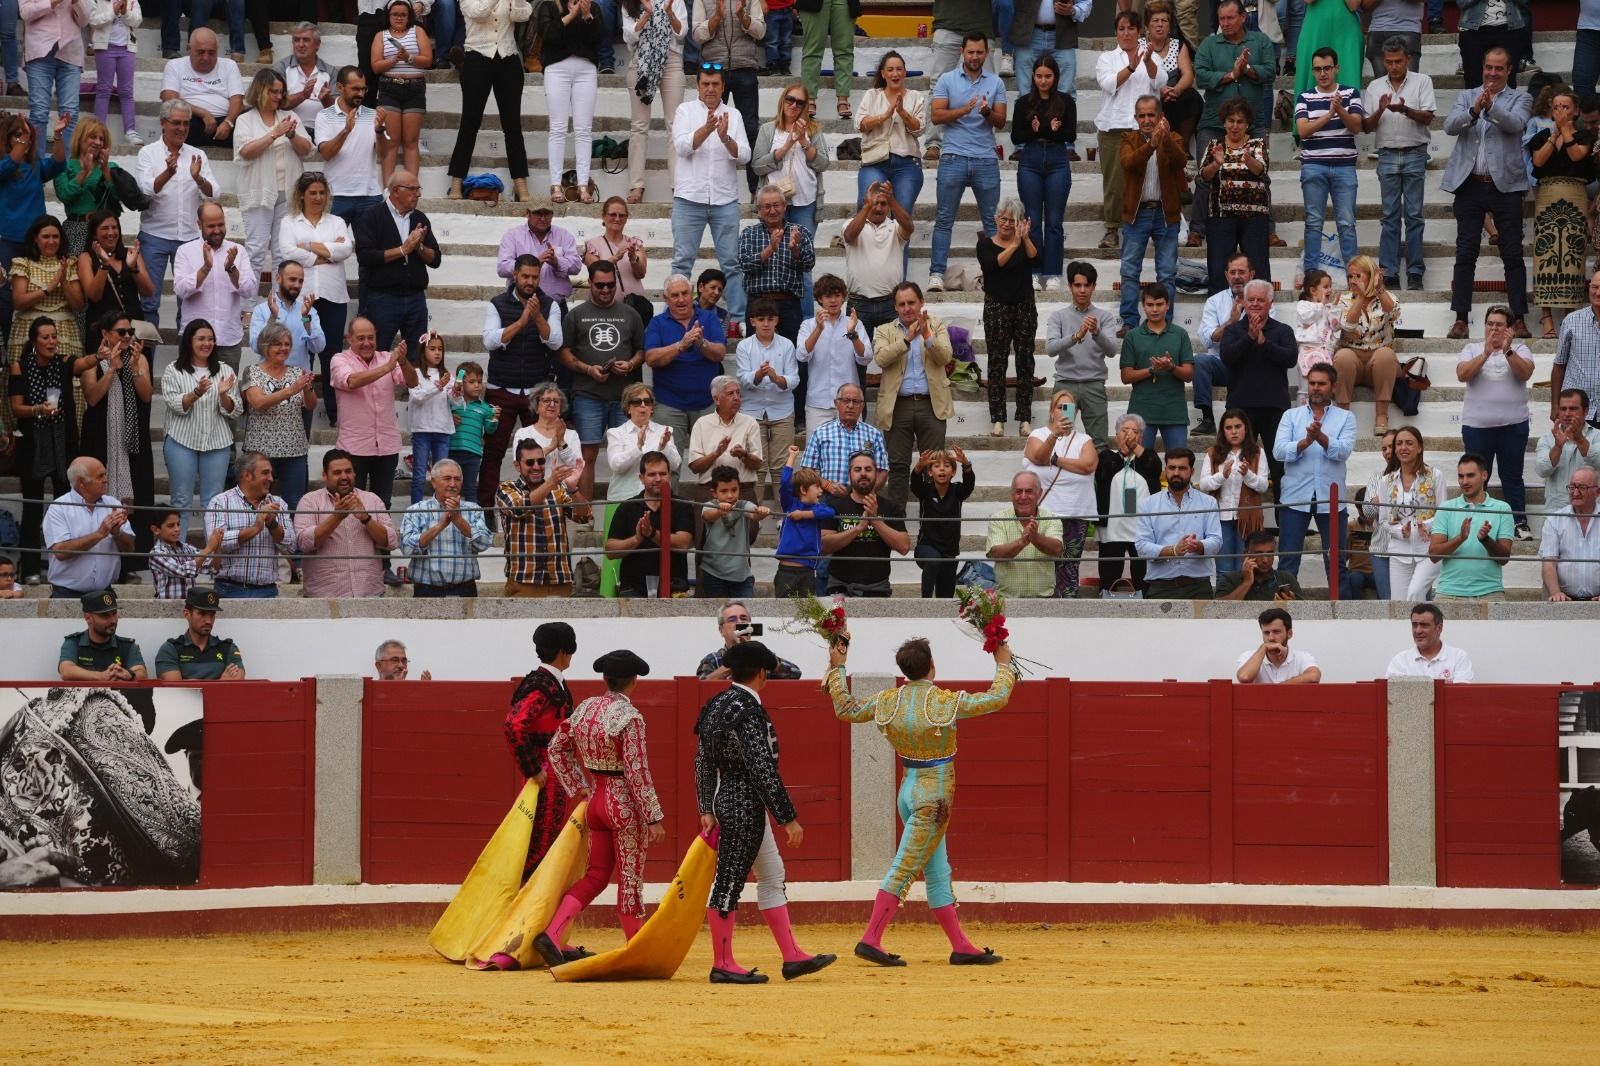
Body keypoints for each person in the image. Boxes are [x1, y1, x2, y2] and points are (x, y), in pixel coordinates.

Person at [826, 632, 1017, 968]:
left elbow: (845, 708)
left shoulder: (888, 701)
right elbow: (997, 698)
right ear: (933, 667)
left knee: (938, 869)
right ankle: (870, 938)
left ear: (904, 670)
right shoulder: (945, 701)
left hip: (908, 790)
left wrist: (837, 667)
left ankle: (961, 946)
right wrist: (1003, 663)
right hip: (934, 799)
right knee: (903, 869)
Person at [695, 639, 830, 984]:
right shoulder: (747, 709)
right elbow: (761, 768)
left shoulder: (717, 703)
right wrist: (788, 817)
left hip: (730, 799)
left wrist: (706, 805)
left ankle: (792, 957)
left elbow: (703, 760)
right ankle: (722, 964)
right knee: (728, 883)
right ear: (760, 674)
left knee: (772, 876)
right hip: (744, 803)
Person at [531, 648, 665, 965]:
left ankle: (551, 934)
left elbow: (556, 748)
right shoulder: (629, 718)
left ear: (605, 678)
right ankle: (636, 949)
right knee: (630, 879)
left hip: (596, 803)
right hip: (623, 807)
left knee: (595, 876)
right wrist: (654, 817)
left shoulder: (586, 709)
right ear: (633, 682)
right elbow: (637, 771)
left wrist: (579, 787)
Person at [1443, 48, 1533, 342]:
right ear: (1482, 68)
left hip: (1505, 184)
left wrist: (1491, 107)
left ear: (1509, 71)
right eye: (1488, 68)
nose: (1492, 74)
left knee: (1512, 253)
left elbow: (1516, 124)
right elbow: (1448, 126)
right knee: (1465, 252)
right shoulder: (1467, 96)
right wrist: (1473, 110)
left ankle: (1518, 318)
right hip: (1470, 183)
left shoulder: (1521, 98)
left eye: (1498, 69)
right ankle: (1460, 320)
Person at [478, 254, 563, 509]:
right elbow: (490, 341)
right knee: (492, 454)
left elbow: (556, 341)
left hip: (536, 393)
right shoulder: (497, 304)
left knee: (540, 455)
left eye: (534, 277)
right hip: (501, 389)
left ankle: (541, 507)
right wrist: (522, 321)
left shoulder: (550, 305)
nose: (530, 281)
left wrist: (537, 318)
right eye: (525, 276)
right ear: (514, 275)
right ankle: (487, 512)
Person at [1189, 0, 1276, 249]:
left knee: (1261, 175)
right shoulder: (1208, 44)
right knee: (1205, 176)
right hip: (1213, 123)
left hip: (1253, 122)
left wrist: (1247, 69)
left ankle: (1268, 230)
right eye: (1221, 19)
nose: (1225, 23)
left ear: (1243, 18)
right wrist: (1231, 75)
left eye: (1230, 18)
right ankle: (1197, 230)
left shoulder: (1261, 42)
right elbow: (1201, 76)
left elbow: (1271, 71)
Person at [561, 260, 647, 503]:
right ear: (590, 283)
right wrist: (589, 370)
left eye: (610, 285)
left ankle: (627, 510)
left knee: (631, 453)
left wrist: (630, 364)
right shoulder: (576, 314)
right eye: (600, 285)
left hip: (624, 398)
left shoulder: (631, 314)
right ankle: (585, 512)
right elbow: (564, 352)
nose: (606, 290)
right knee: (587, 455)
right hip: (588, 395)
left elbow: (642, 351)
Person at [670, 66, 750, 325]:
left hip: (724, 200)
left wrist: (725, 137)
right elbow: (682, 147)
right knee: (682, 264)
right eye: (705, 84)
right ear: (697, 85)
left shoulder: (733, 114)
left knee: (732, 264)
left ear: (723, 86)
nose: (710, 89)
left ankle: (737, 322)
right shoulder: (685, 110)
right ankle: (675, 319)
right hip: (688, 199)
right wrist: (707, 129)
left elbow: (744, 155)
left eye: (715, 84)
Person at [927, 33, 1005, 293]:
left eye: (979, 52)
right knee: (944, 219)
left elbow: (1001, 121)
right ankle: (936, 274)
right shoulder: (947, 79)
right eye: (970, 52)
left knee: (992, 222)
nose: (974, 57)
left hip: (985, 158)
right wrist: (963, 110)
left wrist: (986, 112)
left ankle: (995, 274)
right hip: (953, 156)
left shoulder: (995, 83)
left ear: (986, 53)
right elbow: (936, 116)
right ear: (962, 51)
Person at [134, 99, 217, 329]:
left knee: (189, 302)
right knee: (149, 302)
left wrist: (198, 178)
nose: (182, 128)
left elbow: (213, 192)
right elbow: (145, 188)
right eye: (176, 123)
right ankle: (146, 361)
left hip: (189, 237)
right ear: (163, 123)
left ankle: (186, 361)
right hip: (154, 236)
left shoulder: (197, 154)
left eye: (186, 123)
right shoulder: (147, 153)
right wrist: (167, 173)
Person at [1362, 36, 1436, 293]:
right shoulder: (1374, 87)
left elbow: (1428, 117)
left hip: (1416, 152)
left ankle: (1415, 273)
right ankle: (1389, 273)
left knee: (1414, 216)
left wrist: (1405, 110)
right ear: (1383, 61)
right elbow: (1366, 127)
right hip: (1387, 154)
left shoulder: (1422, 80)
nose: (1393, 66)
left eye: (1398, 61)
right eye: (1389, 62)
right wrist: (1382, 110)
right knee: (1390, 217)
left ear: (1408, 59)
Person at [505, 621, 579, 878]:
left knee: (544, 842)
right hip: (546, 776)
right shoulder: (543, 685)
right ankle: (521, 905)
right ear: (564, 651)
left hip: (551, 773)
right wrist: (534, 769)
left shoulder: (548, 682)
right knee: (541, 844)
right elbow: (514, 725)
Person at [1273, 362, 1355, 584]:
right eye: (1312, 383)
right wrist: (1306, 442)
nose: (1316, 388)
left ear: (1334, 387)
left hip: (1332, 499)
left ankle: (1340, 615)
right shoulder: (1291, 416)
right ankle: (1282, 614)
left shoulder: (1346, 417)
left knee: (1336, 560)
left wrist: (1321, 438)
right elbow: (1278, 451)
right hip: (1294, 497)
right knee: (1288, 560)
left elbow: (1344, 451)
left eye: (1321, 383)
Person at [751, 82, 829, 317]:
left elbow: (823, 163)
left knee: (803, 264)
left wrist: (804, 141)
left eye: (800, 102)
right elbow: (756, 165)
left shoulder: (814, 130)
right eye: (790, 100)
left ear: (807, 106)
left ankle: (805, 322)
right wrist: (785, 147)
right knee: (773, 260)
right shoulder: (768, 130)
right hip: (774, 206)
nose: (794, 105)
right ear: (783, 101)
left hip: (805, 203)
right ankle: (774, 317)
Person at [1458, 305, 1534, 541]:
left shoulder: (1521, 348)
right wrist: (1486, 353)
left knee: (1512, 475)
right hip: (1477, 426)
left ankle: (1519, 522)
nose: (1493, 329)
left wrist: (1508, 351)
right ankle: (1475, 520)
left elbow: (1525, 374)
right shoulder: (1471, 349)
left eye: (1499, 325)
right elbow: (1463, 375)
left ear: (1509, 329)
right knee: (1478, 475)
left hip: (1514, 425)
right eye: (1490, 324)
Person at [446, 0, 533, 204]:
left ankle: (521, 184)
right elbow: (478, 13)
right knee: (470, 123)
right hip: (477, 58)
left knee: (512, 125)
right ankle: (457, 181)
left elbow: (522, 15)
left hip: (508, 58)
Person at [8, 317, 75, 584]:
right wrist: (38, 409)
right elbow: (16, 408)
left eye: (54, 336)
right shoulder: (20, 366)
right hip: (32, 443)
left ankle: (63, 569)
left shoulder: (63, 363)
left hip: (61, 441)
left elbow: (85, 364)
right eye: (45, 337)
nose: (51, 341)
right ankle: (32, 569)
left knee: (63, 507)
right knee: (34, 507)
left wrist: (106, 352)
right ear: (34, 341)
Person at [874, 282, 953, 504]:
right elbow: (880, 358)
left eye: (911, 302)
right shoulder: (884, 330)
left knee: (934, 466)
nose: (907, 308)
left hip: (931, 404)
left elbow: (945, 357)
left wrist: (926, 334)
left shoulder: (936, 325)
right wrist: (907, 339)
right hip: (898, 405)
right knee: (897, 466)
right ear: (895, 307)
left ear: (921, 302)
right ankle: (896, 526)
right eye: (902, 304)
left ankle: (932, 524)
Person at [160, 320, 239, 540]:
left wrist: (223, 395)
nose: (207, 343)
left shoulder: (225, 370)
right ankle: (178, 560)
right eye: (201, 339)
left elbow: (236, 410)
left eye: (210, 339)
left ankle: (213, 560)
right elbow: (175, 404)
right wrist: (196, 393)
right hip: (181, 441)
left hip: (217, 442)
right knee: (181, 500)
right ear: (189, 341)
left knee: (213, 502)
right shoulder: (173, 370)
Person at [233, 69, 312, 285]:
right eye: (273, 92)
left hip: (288, 194)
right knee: (256, 250)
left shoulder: (291, 117)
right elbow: (245, 152)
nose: (278, 96)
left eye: (281, 92)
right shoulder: (245, 120)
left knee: (283, 253)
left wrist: (292, 135)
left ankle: (280, 306)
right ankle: (246, 308)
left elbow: (307, 150)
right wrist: (275, 133)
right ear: (260, 91)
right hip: (258, 194)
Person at [352, 170, 442, 354]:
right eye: (413, 189)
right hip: (383, 299)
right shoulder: (372, 216)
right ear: (395, 191)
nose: (418, 194)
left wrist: (418, 247)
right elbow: (366, 256)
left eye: (418, 188)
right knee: (377, 354)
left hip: (416, 299)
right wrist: (404, 249)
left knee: (417, 356)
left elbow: (436, 260)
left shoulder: (420, 218)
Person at [1094, 10, 1161, 254]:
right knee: (1114, 182)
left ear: (1139, 31)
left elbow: (1160, 81)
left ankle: (1144, 229)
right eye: (1121, 29)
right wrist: (1131, 67)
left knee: (1146, 181)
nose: (1126, 33)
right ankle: (1112, 228)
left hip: (1143, 129)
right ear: (1116, 33)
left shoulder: (1150, 55)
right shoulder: (1107, 58)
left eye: (1131, 28)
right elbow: (1109, 84)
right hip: (1113, 128)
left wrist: (1148, 61)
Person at [1529, 91, 1594, 340]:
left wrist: (1565, 129)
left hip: (1575, 196)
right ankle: (1547, 320)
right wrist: (1554, 133)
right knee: (1545, 253)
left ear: (1575, 111)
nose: (1560, 111)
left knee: (1572, 255)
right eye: (1556, 107)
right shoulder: (1542, 136)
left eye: (1565, 107)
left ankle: (1570, 318)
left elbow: (1577, 155)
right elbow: (1538, 161)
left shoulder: (1584, 135)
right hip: (1547, 197)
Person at [292, 447, 399, 598]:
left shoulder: (372, 500)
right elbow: (304, 543)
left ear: (354, 473)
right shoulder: (309, 501)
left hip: (369, 595)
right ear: (325, 475)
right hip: (324, 598)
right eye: (337, 473)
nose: (344, 476)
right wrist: (337, 517)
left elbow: (392, 541)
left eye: (348, 471)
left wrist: (366, 519)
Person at [1020, 389, 1096, 596]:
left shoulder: (1084, 440)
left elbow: (1088, 465)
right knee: (1041, 565)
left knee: (1069, 569)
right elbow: (1037, 456)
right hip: (1045, 513)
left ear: (1076, 413)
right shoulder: (1038, 435)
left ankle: (1067, 612)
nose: (1064, 412)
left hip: (1075, 512)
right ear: (1052, 411)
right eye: (1059, 407)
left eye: (1069, 408)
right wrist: (1054, 436)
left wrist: (1054, 460)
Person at [645, 274, 729, 460]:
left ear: (693, 294)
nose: (681, 299)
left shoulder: (709, 318)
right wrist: (680, 346)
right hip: (669, 405)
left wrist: (701, 343)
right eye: (675, 295)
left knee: (713, 463)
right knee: (668, 463)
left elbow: (720, 353)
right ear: (666, 299)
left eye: (685, 293)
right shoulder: (657, 323)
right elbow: (651, 358)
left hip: (707, 403)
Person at [978, 197, 1040, 438]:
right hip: (996, 306)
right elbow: (993, 265)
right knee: (997, 362)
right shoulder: (984, 244)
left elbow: (1036, 260)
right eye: (1003, 219)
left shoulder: (1023, 241)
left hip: (1024, 305)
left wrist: (1023, 239)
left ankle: (1025, 417)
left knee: (1025, 361)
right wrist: (1014, 245)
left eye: (1012, 220)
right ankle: (998, 419)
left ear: (1020, 222)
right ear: (995, 219)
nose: (1006, 224)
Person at [1011, 55, 1073, 292]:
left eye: (1048, 76)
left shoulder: (1066, 101)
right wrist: (1034, 130)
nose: (1043, 81)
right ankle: (1035, 271)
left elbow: (1070, 134)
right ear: (1033, 77)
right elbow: (1017, 137)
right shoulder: (1024, 102)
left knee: (1055, 221)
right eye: (1039, 76)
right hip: (1030, 160)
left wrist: (1049, 131)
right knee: (1033, 220)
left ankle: (1053, 272)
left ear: (1055, 77)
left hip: (1058, 159)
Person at [499, 437, 591, 597]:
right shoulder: (507, 488)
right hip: (524, 580)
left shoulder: (559, 489)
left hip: (559, 579)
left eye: (541, 461)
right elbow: (519, 508)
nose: (536, 467)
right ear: (517, 465)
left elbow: (583, 517)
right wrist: (551, 482)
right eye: (530, 462)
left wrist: (573, 489)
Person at [1198, 98, 1270, 296]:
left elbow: (1261, 171)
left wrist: (1248, 160)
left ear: (1247, 124)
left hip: (1254, 216)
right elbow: (1203, 176)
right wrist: (1217, 163)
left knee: (1258, 266)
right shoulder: (1215, 145)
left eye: (1240, 121)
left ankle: (1262, 312)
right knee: (1219, 268)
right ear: (1224, 122)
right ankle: (1219, 318)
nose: (1235, 126)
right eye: (1231, 120)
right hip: (1221, 216)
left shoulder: (1257, 144)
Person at [241, 322, 316, 510]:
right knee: (257, 501)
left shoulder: (297, 372)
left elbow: (311, 405)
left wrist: (307, 389)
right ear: (266, 346)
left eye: (287, 344)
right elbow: (258, 402)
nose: (283, 348)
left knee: (295, 503)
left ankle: (290, 539)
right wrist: (291, 390)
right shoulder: (252, 372)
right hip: (260, 450)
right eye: (277, 344)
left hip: (294, 449)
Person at [173, 201, 255, 370]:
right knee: (194, 392)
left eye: (221, 224)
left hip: (228, 339)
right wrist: (205, 268)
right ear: (199, 224)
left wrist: (231, 269)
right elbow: (181, 290)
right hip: (194, 341)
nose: (217, 230)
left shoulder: (238, 250)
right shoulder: (185, 251)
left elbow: (249, 290)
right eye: (211, 226)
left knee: (228, 394)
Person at [620, 0, 687, 205]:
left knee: (675, 125)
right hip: (640, 60)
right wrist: (646, 15)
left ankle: (679, 187)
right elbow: (629, 36)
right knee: (639, 126)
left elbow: (682, 33)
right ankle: (636, 185)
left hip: (672, 59)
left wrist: (670, 14)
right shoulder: (629, 3)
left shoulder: (674, 1)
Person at [537, 0, 604, 203]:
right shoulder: (549, 6)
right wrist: (570, 16)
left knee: (583, 129)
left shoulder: (593, 6)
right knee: (558, 128)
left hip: (586, 69)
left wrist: (586, 16)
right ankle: (556, 184)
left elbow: (599, 38)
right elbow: (548, 36)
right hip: (556, 68)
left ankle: (583, 185)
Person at [1045, 263, 1118, 446]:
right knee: (1060, 437)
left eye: (1087, 285)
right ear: (1070, 286)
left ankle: (1097, 476)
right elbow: (1050, 349)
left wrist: (1095, 333)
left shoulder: (1104, 317)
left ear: (1094, 286)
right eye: (1077, 285)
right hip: (1066, 386)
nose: (1083, 290)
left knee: (1099, 443)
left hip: (1093, 385)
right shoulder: (1058, 316)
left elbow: (1111, 351)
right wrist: (1076, 336)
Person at [734, 297, 799, 504]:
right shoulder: (744, 346)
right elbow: (743, 379)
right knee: (756, 467)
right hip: (752, 411)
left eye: (770, 319)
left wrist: (776, 377)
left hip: (782, 410)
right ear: (752, 321)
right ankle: (755, 517)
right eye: (760, 319)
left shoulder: (787, 345)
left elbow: (794, 378)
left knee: (781, 467)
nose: (765, 324)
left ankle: (783, 517)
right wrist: (760, 375)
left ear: (777, 321)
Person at [1135, 447, 1222, 599]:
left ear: (1192, 471)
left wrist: (1200, 546)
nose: (1176, 472)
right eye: (1172, 468)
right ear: (1165, 469)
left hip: (1198, 587)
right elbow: (1141, 546)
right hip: (1160, 587)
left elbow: (1216, 541)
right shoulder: (1148, 504)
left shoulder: (1209, 503)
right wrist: (1172, 551)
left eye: (1182, 468)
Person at [399, 458, 493, 597]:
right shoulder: (416, 510)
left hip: (465, 589)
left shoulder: (473, 509)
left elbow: (484, 543)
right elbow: (407, 548)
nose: (453, 484)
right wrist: (440, 525)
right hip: (426, 590)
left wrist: (458, 519)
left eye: (457, 479)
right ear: (434, 482)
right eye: (447, 478)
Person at [39, 457, 132, 596]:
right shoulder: (59, 508)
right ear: (81, 482)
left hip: (105, 593)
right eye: (100, 476)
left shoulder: (113, 504)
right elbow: (60, 552)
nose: (106, 480)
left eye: (105, 474)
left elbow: (130, 549)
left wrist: (117, 533)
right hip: (67, 594)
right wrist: (99, 534)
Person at [821, 451, 910, 597]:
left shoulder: (891, 507)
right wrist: (858, 528)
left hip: (878, 587)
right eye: (857, 470)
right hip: (840, 586)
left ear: (876, 474)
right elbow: (823, 546)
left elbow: (904, 547)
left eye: (868, 469)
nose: (863, 473)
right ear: (849, 475)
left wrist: (875, 520)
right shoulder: (834, 506)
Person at [204, 451, 291, 598]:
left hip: (267, 590)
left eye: (271, 473)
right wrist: (255, 528)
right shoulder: (220, 502)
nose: (271, 478)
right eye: (265, 473)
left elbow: (291, 546)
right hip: (229, 589)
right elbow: (216, 543)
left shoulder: (279, 504)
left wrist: (272, 525)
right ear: (247, 475)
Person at [1429, 452, 1514, 602]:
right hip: (1449, 592)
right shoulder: (1446, 508)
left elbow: (1504, 558)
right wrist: (1460, 538)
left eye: (1470, 475)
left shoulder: (1503, 508)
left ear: (1484, 475)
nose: (1464, 481)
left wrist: (1486, 540)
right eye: (1461, 476)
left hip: (1490, 592)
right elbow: (1434, 555)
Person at [11, 215, 86, 385]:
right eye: (46, 236)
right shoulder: (23, 263)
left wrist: (64, 282)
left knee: (65, 385)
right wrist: (48, 289)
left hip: (63, 332)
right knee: (28, 386)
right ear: (35, 239)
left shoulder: (69, 264)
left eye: (55, 236)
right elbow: (18, 301)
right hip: (29, 331)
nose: (51, 241)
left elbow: (79, 306)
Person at [252, 258, 329, 420]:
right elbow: (256, 346)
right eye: (292, 279)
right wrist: (273, 317)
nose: (297, 285)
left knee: (300, 442)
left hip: (302, 387)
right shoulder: (261, 310)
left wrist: (305, 319)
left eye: (300, 281)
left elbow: (319, 347)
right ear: (278, 278)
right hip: (269, 385)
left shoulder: (309, 311)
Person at [737, 185, 815, 344]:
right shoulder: (748, 233)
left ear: (785, 206)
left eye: (776, 205)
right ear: (759, 209)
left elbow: (809, 265)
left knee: (795, 354)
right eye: (766, 206)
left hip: (789, 302)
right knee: (756, 354)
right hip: (757, 303)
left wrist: (796, 252)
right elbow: (745, 264)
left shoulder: (800, 231)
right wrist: (771, 248)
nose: (772, 211)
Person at [1121, 282, 1194, 451]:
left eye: (1159, 304)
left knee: (1178, 465)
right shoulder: (1132, 336)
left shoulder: (1181, 334)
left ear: (1168, 305)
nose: (1155, 309)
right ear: (1143, 306)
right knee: (1138, 468)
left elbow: (1189, 374)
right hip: (1141, 411)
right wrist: (1152, 370)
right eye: (1150, 305)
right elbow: (1126, 377)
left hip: (1174, 412)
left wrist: (1171, 368)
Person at [1375, 424, 1444, 602]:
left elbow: (1444, 512)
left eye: (1409, 443)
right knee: (1399, 604)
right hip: (1399, 550)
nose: (1403, 447)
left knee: (1415, 594)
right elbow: (1383, 519)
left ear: (1419, 447)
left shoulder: (1435, 475)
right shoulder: (1386, 480)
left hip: (1428, 548)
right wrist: (1399, 531)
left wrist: (1426, 525)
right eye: (1399, 443)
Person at [1095, 412, 1161, 594]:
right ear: (1116, 435)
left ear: (1141, 437)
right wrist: (1124, 451)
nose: (1129, 435)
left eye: (1134, 431)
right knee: (1109, 569)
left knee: (1143, 571)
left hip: (1141, 526)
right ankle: (1106, 596)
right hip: (1112, 525)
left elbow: (1155, 467)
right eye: (1124, 430)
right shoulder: (1107, 457)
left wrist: (1135, 448)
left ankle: (1146, 597)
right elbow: (1103, 473)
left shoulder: (1147, 457)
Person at [314, 67, 387, 231]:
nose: (360, 94)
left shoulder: (374, 115)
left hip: (370, 195)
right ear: (340, 87)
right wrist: (346, 130)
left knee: (370, 252)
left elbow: (383, 155)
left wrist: (379, 131)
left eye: (363, 89)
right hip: (335, 195)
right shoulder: (324, 116)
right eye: (355, 89)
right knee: (331, 249)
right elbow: (326, 154)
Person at [1198, 409, 1269, 574]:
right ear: (1223, 431)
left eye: (1238, 426)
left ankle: (1243, 599)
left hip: (1247, 518)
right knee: (1224, 569)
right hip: (1221, 517)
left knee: (1244, 567)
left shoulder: (1258, 453)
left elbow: (1263, 486)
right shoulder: (1213, 453)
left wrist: (1247, 475)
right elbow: (1204, 485)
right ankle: (1224, 600)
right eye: (1228, 428)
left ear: (1246, 428)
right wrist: (1222, 476)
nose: (1234, 431)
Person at [855, 51, 926, 210]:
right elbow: (860, 123)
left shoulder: (915, 96)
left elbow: (919, 128)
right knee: (867, 205)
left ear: (905, 72)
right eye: (890, 69)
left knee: (902, 212)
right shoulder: (872, 95)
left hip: (907, 163)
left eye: (899, 69)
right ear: (883, 73)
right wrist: (884, 116)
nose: (895, 74)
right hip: (875, 162)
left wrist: (903, 113)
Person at [370, 0, 432, 183]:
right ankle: (389, 191)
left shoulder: (418, 31)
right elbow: (375, 66)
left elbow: (428, 60)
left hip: (415, 88)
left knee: (411, 141)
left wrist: (409, 58)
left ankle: (411, 187)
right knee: (391, 141)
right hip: (389, 87)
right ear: (388, 16)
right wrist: (394, 60)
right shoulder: (380, 35)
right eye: (395, 14)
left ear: (409, 16)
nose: (398, 18)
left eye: (403, 14)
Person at [840, 187, 912, 345]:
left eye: (883, 203)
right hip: (859, 304)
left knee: (896, 357)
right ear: (865, 203)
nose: (878, 208)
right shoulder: (850, 224)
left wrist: (893, 201)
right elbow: (849, 235)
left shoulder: (895, 226)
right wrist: (867, 206)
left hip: (891, 303)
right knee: (856, 359)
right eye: (874, 203)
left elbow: (909, 227)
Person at [985, 470, 1065, 598]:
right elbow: (995, 553)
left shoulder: (1051, 518)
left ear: (1039, 494)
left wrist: (1035, 537)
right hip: (1006, 600)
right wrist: (1022, 542)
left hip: (1045, 600)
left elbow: (1057, 549)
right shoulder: (998, 518)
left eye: (1029, 491)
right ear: (1011, 494)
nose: (1023, 496)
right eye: (1018, 491)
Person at [159, 27, 243, 147]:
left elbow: (237, 101)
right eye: (200, 52)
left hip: (224, 123)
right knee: (176, 118)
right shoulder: (174, 65)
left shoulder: (229, 65)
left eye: (211, 52)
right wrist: (203, 114)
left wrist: (228, 123)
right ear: (189, 49)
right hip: (191, 121)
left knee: (251, 117)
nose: (206, 57)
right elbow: (169, 99)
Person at [800, 382, 887, 495]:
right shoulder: (821, 433)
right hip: (828, 494)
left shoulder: (874, 434)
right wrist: (827, 485)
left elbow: (883, 471)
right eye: (846, 400)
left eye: (855, 402)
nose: (850, 406)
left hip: (864, 496)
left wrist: (868, 493)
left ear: (862, 406)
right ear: (837, 403)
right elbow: (807, 470)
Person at [909, 447, 974, 599]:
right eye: (937, 466)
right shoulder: (925, 490)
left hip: (949, 553)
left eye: (947, 465)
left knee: (945, 599)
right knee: (933, 559)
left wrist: (966, 465)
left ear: (953, 472)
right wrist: (918, 467)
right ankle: (925, 603)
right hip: (926, 548)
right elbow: (915, 484)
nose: (942, 469)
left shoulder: (958, 491)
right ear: (930, 472)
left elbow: (969, 485)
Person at [698, 466, 771, 597]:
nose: (730, 495)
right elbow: (708, 515)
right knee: (719, 614)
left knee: (745, 613)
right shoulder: (709, 505)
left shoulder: (744, 505)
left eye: (734, 490)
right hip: (714, 573)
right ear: (714, 493)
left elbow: (754, 514)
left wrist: (761, 512)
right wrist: (720, 511)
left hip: (742, 575)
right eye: (724, 491)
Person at [606, 383, 681, 503]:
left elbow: (675, 464)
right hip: (623, 499)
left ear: (652, 408)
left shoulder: (665, 431)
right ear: (628, 407)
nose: (643, 405)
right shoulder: (615, 433)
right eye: (637, 402)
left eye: (647, 402)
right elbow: (616, 466)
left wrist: (663, 447)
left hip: (658, 499)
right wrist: (638, 447)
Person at [774, 445, 833, 595]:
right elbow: (785, 483)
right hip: (786, 570)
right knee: (783, 611)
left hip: (808, 570)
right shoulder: (790, 504)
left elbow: (830, 512)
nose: (821, 491)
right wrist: (792, 457)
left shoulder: (818, 509)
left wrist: (803, 515)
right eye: (817, 487)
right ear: (803, 489)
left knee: (806, 613)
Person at [154, 587, 246, 680]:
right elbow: (176, 689)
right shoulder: (170, 649)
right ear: (187, 614)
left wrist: (190, 682)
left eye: (212, 614)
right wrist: (220, 682)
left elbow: (236, 681)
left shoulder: (228, 647)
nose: (208, 621)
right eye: (202, 614)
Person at [58, 588, 147, 681]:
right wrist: (102, 676)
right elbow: (66, 671)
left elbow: (142, 673)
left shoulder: (127, 646)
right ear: (88, 618)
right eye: (105, 616)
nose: (113, 620)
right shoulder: (74, 642)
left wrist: (129, 675)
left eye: (114, 614)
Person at [53, 118, 118, 245]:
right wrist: (83, 173)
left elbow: (117, 196)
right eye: (93, 137)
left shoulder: (111, 167)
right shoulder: (65, 166)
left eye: (101, 139)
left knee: (104, 264)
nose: (98, 142)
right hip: (75, 227)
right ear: (80, 137)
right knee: (75, 264)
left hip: (104, 230)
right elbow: (64, 195)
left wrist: (105, 170)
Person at [583, 198, 651, 319]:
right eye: (612, 214)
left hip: (634, 308)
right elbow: (595, 272)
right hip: (603, 309)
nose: (617, 219)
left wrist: (633, 259)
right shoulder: (593, 244)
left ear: (626, 219)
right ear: (603, 216)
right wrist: (616, 257)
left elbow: (641, 273)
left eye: (622, 215)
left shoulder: (635, 243)